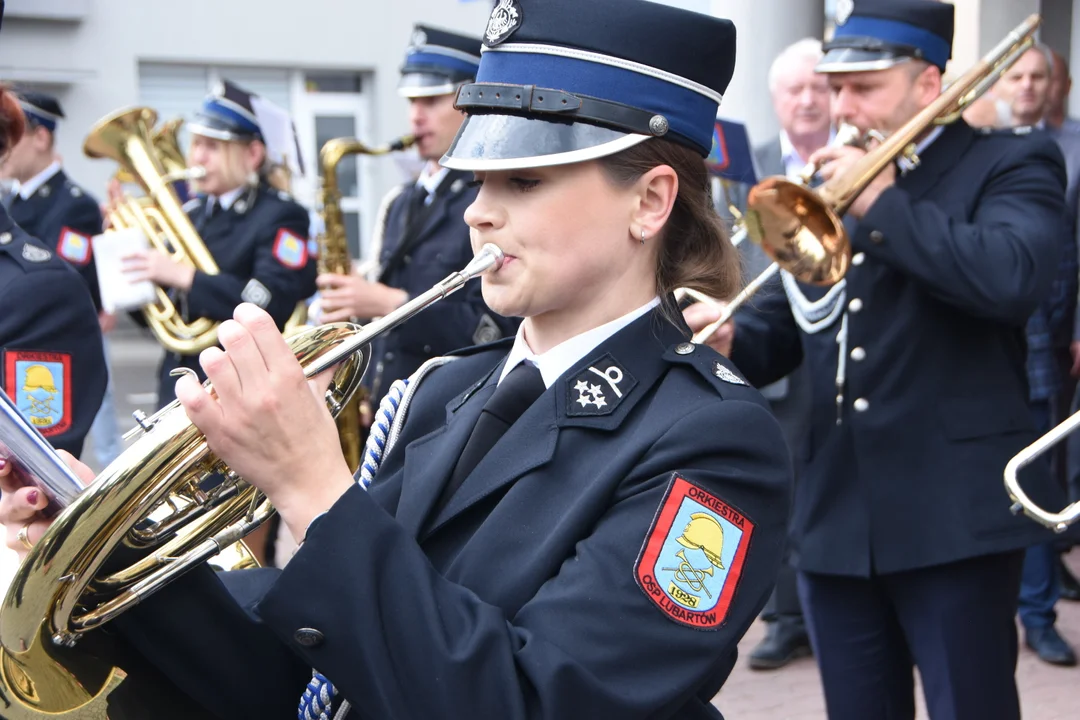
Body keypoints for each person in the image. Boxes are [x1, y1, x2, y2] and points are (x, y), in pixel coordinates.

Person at [0, 1, 793, 718]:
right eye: (479, 179)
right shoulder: (443, 388)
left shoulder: (714, 439)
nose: (480, 212)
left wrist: (313, 489)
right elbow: (306, 677)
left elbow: (536, 703)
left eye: (523, 179)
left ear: (650, 201)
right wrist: (99, 546)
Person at [688, 1, 1067, 718]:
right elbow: (793, 328)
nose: (842, 106)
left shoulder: (1009, 161)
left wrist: (883, 202)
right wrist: (735, 336)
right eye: (836, 87)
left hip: (954, 514)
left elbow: (1013, 278)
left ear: (928, 85)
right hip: (838, 514)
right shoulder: (832, 183)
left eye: (864, 87)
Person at [314, 24, 517, 406]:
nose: (415, 117)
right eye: (411, 102)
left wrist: (386, 302)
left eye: (431, 100)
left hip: (453, 407)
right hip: (389, 402)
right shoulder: (402, 201)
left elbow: (493, 329)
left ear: (471, 99)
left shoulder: (489, 197)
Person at [120, 80, 317, 409]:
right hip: (178, 384)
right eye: (195, 144)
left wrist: (185, 277)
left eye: (212, 146)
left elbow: (270, 302)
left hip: (239, 388)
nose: (197, 156)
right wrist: (134, 277)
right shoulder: (192, 213)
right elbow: (166, 317)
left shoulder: (281, 214)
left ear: (252, 154)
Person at [994, 42, 1079, 667]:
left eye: (1037, 77)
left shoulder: (1076, 144)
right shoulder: (978, 145)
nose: (1027, 86)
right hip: (985, 338)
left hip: (1046, 340)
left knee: (1039, 481)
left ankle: (1038, 613)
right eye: (1016, 75)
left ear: (1058, 85)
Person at [0, 85, 107, 459]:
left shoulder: (73, 203)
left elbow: (59, 271)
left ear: (40, 137)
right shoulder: (14, 198)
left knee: (104, 439)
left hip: (58, 329)